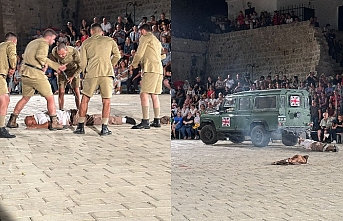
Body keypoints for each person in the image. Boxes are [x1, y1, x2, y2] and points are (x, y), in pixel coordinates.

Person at [6, 29, 67, 131]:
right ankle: (54, 122)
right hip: (35, 74)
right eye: (53, 39)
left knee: (25, 98)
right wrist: (51, 65)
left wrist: (51, 65)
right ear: (48, 37)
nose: (53, 42)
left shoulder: (33, 42)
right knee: (50, 97)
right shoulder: (44, 44)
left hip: (25, 73)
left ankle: (12, 120)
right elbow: (40, 57)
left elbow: (31, 56)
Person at [73, 23, 121, 136]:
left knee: (85, 99)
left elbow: (83, 62)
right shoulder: (109, 41)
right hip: (106, 73)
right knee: (106, 101)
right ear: (101, 31)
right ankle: (104, 128)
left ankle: (80, 126)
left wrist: (85, 73)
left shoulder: (86, 43)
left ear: (91, 32)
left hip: (91, 73)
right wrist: (110, 65)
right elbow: (117, 56)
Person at [130, 24, 165, 129]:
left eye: (140, 31)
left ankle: (145, 121)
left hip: (150, 69)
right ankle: (157, 120)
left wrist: (134, 64)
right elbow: (163, 54)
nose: (140, 33)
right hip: (159, 69)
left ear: (143, 31)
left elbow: (139, 53)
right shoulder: (156, 40)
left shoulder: (145, 38)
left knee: (144, 94)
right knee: (154, 95)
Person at [49, 43, 82, 110]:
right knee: (61, 91)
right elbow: (51, 58)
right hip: (62, 72)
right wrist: (57, 67)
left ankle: (79, 110)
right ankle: (61, 109)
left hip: (74, 70)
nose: (61, 56)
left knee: (76, 91)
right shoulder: (54, 51)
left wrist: (73, 76)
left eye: (63, 54)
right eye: (59, 54)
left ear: (66, 50)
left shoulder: (74, 52)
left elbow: (81, 66)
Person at [24, 109, 136, 129]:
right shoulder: (38, 115)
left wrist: (35, 127)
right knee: (95, 118)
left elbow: (47, 124)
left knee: (97, 120)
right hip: (71, 116)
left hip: (73, 118)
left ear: (31, 117)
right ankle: (117, 118)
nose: (32, 124)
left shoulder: (39, 117)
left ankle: (123, 120)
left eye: (31, 122)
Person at [0, 32, 17, 138]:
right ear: (14, 41)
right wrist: (13, 67)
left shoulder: (0, 45)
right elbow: (12, 58)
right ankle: (1, 128)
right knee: (5, 99)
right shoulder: (10, 45)